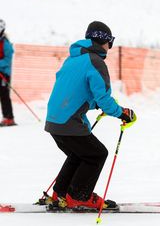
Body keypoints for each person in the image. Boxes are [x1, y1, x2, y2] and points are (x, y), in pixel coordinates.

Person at [44, 21, 135, 209]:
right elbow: (103, 97)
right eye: (110, 42)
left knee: (78, 155)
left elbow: (77, 91)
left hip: (54, 121)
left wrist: (96, 104)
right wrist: (122, 113)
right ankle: (79, 196)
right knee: (96, 154)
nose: (110, 47)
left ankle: (60, 193)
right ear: (104, 41)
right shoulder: (95, 61)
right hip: (69, 121)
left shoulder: (74, 58)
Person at [0, 19, 16, 126]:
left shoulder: (6, 44)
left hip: (3, 74)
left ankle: (9, 118)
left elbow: (7, 60)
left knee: (4, 95)